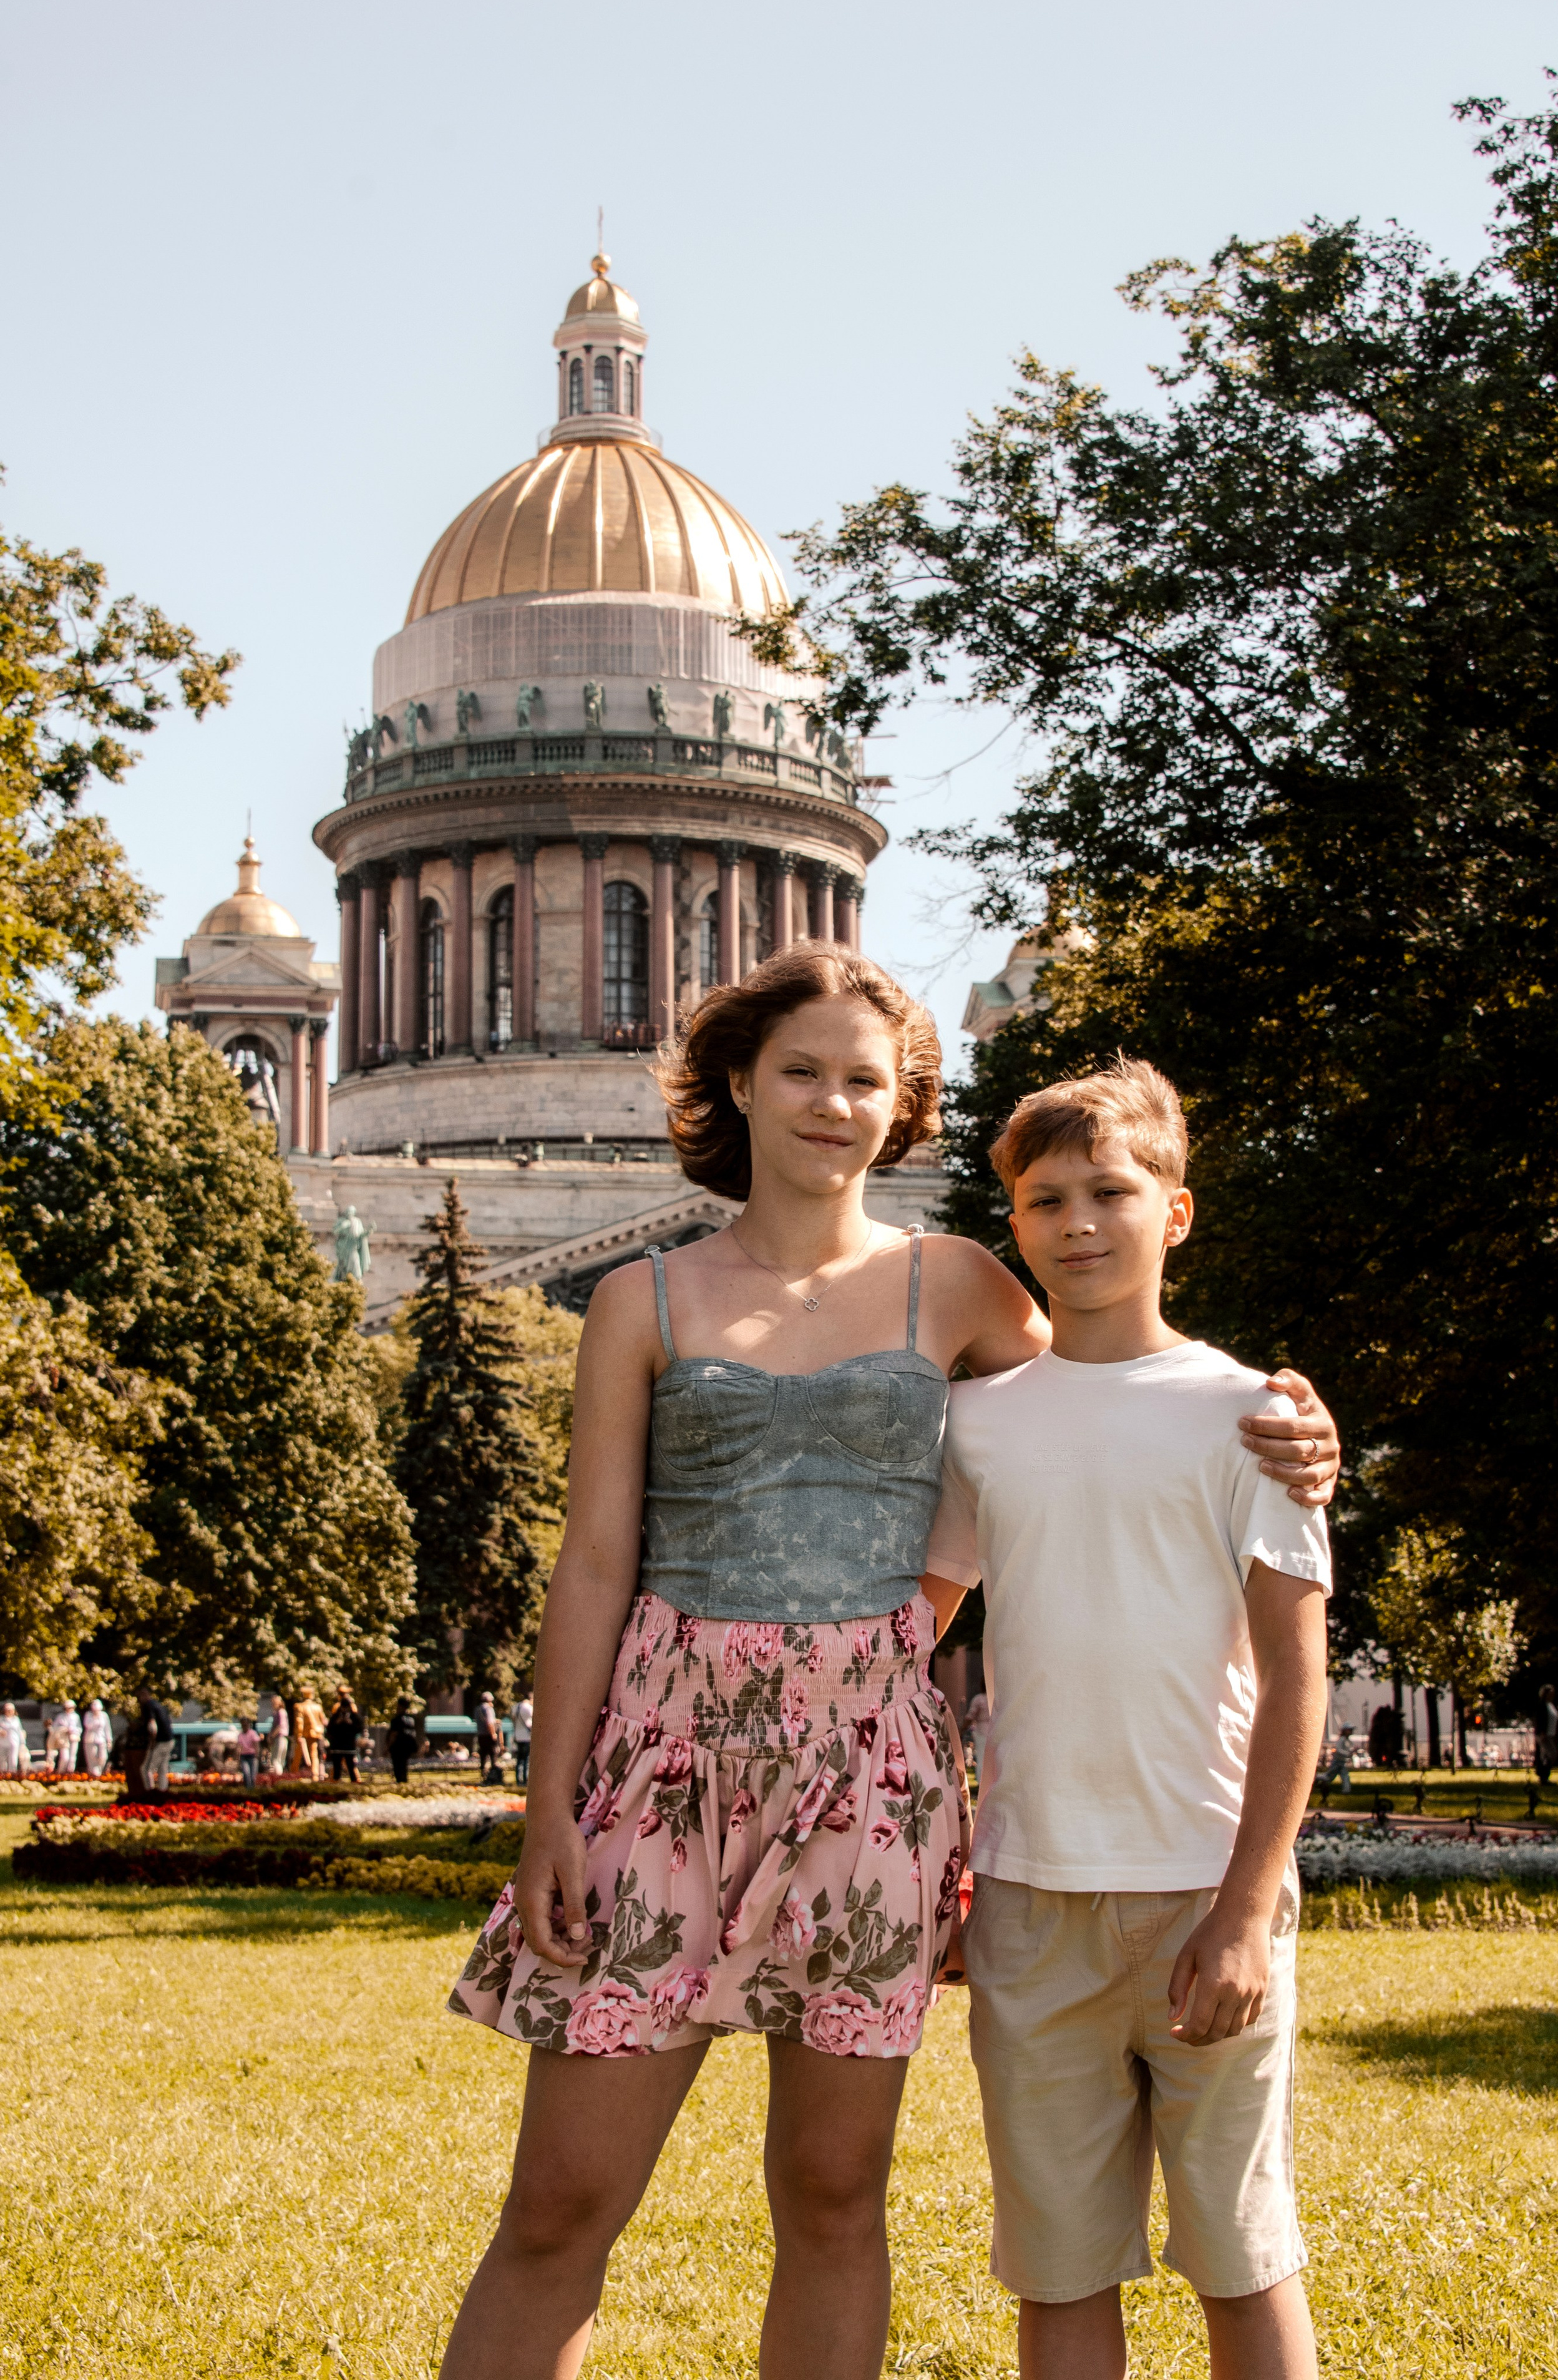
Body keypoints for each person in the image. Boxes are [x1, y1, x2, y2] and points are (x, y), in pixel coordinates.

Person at [439, 946, 1339, 2380]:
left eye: (865, 1077)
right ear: (739, 1079)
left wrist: (1287, 1427)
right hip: (660, 1768)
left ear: (901, 1105)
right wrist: (546, 1807)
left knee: (833, 2193)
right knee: (557, 2197)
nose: (830, 1102)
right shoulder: (644, 1299)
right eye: (800, 1069)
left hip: (868, 1780)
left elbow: (1106, 1404)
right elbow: (594, 1563)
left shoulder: (965, 1283)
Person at [921, 1060, 1331, 2380]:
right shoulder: (974, 1425)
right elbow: (914, 1638)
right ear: (1015, 1227)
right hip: (1031, 1901)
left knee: (1242, 2257)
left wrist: (1244, 1903)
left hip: (1205, 1889)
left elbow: (1294, 1677)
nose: (1079, 1223)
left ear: (1177, 1213)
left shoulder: (1251, 1417)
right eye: (1045, 1200)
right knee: (1057, 2270)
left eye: (1110, 1191)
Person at [138, 1691, 174, 1796]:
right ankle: (163, 1792)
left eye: (139, 1697)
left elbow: (152, 1726)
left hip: (161, 1742)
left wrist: (153, 1741)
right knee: (162, 1768)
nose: (139, 1701)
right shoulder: (158, 1705)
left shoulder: (148, 1706)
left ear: (144, 1696)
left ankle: (150, 1794)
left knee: (146, 1769)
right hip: (169, 1740)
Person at [326, 1687, 363, 1783]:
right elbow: (330, 1728)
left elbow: (359, 1727)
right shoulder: (336, 1711)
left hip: (349, 1745)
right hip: (337, 1745)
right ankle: (334, 1781)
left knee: (351, 1766)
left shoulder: (353, 1710)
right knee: (337, 1766)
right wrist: (338, 1722)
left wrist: (350, 1722)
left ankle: (356, 1781)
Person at [47, 1699, 82, 1776]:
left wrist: (72, 1730)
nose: (69, 1709)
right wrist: (63, 1729)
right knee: (65, 1757)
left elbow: (79, 1729)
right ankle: (61, 1772)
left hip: (73, 1738)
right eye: (67, 1708)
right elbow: (54, 1728)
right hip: (63, 1740)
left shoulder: (76, 1717)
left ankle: (70, 1772)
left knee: (72, 1757)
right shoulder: (61, 1716)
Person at [1534, 1684, 1558, 1783]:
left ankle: (1545, 1776)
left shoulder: (1551, 1705)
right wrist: (1542, 1732)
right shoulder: (1542, 1705)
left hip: (1551, 1734)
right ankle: (1543, 1776)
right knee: (1549, 1755)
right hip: (1544, 1735)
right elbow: (1540, 1720)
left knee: (1549, 1755)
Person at [81, 1699, 113, 1778]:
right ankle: (94, 1774)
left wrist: (109, 1740)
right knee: (93, 1756)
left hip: (102, 1739)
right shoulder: (88, 1715)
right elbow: (88, 1726)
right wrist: (95, 1718)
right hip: (91, 1739)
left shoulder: (104, 1715)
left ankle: (99, 1771)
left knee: (103, 1757)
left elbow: (107, 1728)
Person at [1321, 1725, 1355, 1799]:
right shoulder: (1342, 1739)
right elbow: (1338, 1749)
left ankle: (1346, 1791)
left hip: (1343, 1762)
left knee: (1345, 1776)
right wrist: (1347, 1754)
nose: (1351, 1731)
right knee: (1329, 1777)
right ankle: (1316, 1778)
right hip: (1337, 1762)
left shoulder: (1348, 1741)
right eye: (1349, 1730)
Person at [389, 1701, 419, 1785]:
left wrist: (388, 1747)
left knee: (398, 1766)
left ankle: (400, 1782)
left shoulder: (396, 1720)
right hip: (408, 1747)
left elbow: (394, 1734)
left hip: (398, 1747)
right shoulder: (411, 1720)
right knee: (404, 1766)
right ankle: (404, 1781)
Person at [512, 1689, 534, 1787]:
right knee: (526, 1759)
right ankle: (525, 1779)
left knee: (519, 1759)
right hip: (526, 1736)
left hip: (517, 1735)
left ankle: (518, 1779)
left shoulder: (515, 1707)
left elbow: (513, 1720)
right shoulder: (528, 1708)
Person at [0, 1701, 28, 1778]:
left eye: (11, 1710)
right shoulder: (1, 1719)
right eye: (8, 1710)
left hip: (14, 1743)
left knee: (13, 1759)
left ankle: (12, 1775)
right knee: (2, 1759)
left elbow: (20, 1731)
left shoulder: (16, 1720)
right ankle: (2, 1775)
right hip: (2, 1743)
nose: (9, 1712)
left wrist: (23, 1743)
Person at [266, 1694, 290, 1777]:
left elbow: (280, 1726)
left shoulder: (281, 1712)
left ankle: (278, 1779)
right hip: (280, 1738)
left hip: (280, 1738)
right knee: (278, 1761)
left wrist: (272, 1737)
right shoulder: (276, 1713)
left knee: (276, 1760)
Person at [236, 1720, 261, 1786]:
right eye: (243, 1726)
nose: (244, 1727)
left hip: (252, 1756)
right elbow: (239, 1747)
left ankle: (252, 1790)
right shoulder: (240, 1735)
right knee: (246, 1773)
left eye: (246, 1725)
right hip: (244, 1756)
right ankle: (247, 1788)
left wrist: (257, 1755)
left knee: (253, 1776)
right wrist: (238, 1757)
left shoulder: (253, 1733)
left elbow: (256, 1744)